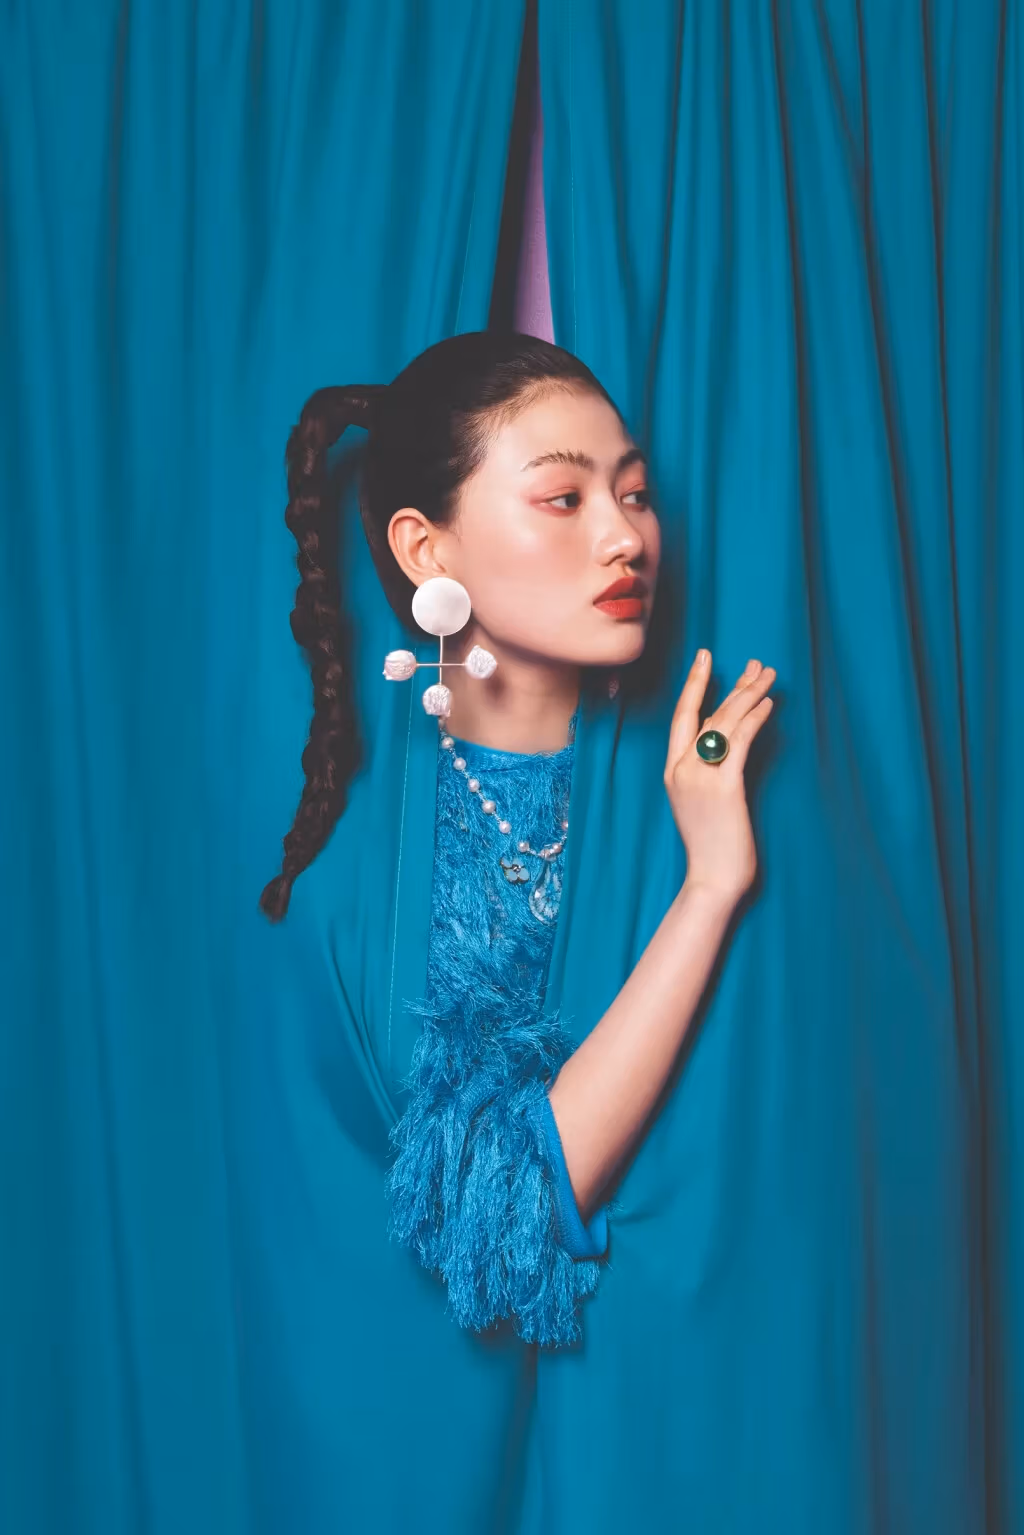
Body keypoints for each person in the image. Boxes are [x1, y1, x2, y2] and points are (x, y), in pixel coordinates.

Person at [259, 330, 775, 1350]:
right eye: (563, 497)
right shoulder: (376, 879)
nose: (624, 537)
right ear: (426, 550)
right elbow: (497, 1218)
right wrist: (709, 884)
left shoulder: (651, 783)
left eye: (633, 493)